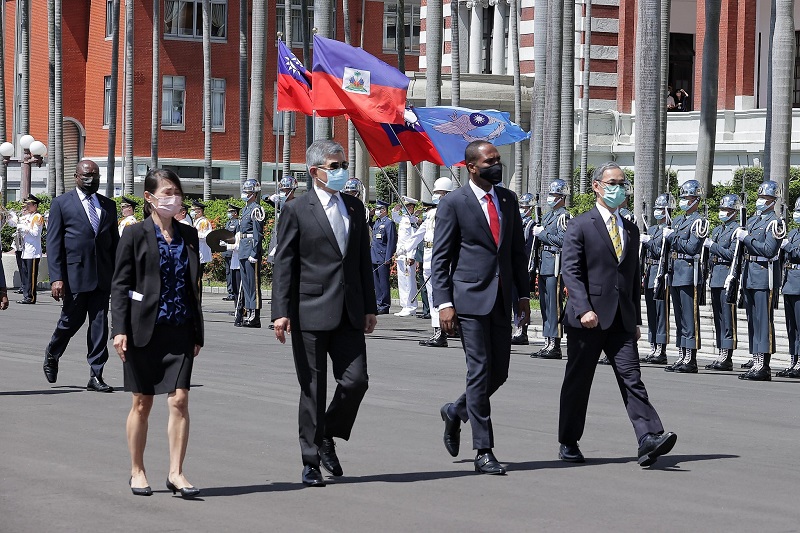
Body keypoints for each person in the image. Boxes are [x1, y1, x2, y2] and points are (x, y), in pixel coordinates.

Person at [271, 140, 376, 487]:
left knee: (356, 381)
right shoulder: (297, 209)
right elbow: (284, 263)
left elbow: (362, 260)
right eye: (335, 166)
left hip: (349, 311)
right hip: (309, 310)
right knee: (313, 389)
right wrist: (280, 312)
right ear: (315, 171)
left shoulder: (354, 208)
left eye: (342, 164)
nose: (341, 170)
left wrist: (370, 308)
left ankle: (328, 431)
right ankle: (311, 460)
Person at [557, 161, 676, 467]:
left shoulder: (631, 228)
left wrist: (635, 319)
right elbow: (571, 270)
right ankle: (569, 440)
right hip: (588, 318)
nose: (619, 188)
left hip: (621, 319)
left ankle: (649, 437)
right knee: (579, 381)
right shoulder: (581, 224)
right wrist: (583, 308)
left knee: (632, 377)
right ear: (597, 186)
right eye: (613, 182)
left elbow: (632, 277)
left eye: (622, 182)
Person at [433, 141, 530, 475]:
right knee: (479, 369)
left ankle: (456, 409)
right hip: (469, 300)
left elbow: (517, 250)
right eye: (490, 161)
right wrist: (444, 303)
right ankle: (483, 449)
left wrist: (523, 296)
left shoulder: (507, 199)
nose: (496, 165)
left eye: (498, 160)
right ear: (471, 166)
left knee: (498, 372)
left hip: (502, 297)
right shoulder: (455, 204)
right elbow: (441, 257)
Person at [111, 168, 204, 499]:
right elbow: (121, 285)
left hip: (179, 328)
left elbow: (194, 286)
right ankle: (137, 470)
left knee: (179, 400)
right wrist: (119, 330)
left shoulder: (188, 235)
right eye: (166, 192)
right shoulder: (134, 234)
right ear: (149, 198)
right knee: (142, 402)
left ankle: (176, 472)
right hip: (142, 330)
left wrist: (197, 330)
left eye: (176, 192)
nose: (173, 198)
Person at [44, 159, 120, 392]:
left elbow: (113, 243)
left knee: (99, 325)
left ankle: (96, 375)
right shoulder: (61, 204)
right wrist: (57, 277)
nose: (91, 180)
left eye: (95, 176)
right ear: (76, 176)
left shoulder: (108, 205)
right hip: (74, 275)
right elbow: (54, 243)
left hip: (102, 276)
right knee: (70, 321)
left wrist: (120, 274)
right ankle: (52, 353)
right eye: (86, 176)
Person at [735, 180, 785, 381]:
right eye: (760, 197)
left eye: (764, 198)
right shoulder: (754, 221)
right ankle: (755, 361)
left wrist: (746, 238)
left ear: (773, 201)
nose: (760, 201)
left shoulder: (775, 223)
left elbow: (769, 250)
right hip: (749, 274)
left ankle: (763, 365)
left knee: (763, 321)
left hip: (764, 276)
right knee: (752, 321)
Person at [662, 180, 706, 373]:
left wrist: (673, 237)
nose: (684, 201)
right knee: (679, 317)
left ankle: (691, 359)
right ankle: (682, 355)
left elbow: (692, 247)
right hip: (676, 271)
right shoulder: (679, 220)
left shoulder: (699, 221)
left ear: (696, 200)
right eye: (682, 198)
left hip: (689, 272)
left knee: (689, 317)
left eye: (687, 198)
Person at [531, 179, 571, 359]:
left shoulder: (564, 216)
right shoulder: (548, 216)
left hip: (555, 263)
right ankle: (547, 341)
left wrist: (543, 234)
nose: (551, 198)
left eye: (554, 195)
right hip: (544, 263)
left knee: (554, 305)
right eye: (551, 195)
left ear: (562, 197)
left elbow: (563, 241)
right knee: (545, 305)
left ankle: (555, 343)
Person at [703, 194, 741, 371]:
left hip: (727, 276)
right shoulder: (718, 230)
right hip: (715, 276)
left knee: (727, 317)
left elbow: (731, 254)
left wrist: (713, 247)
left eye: (726, 210)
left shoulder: (736, 230)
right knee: (718, 317)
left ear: (734, 212)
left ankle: (727, 355)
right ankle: (720, 352)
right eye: (722, 210)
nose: (723, 213)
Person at [639, 194, 674, 365]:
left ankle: (661, 348)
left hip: (661, 273)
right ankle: (653, 346)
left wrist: (648, 243)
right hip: (650, 271)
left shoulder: (670, 229)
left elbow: (661, 250)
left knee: (661, 313)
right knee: (651, 312)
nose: (658, 212)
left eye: (661, 209)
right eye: (657, 209)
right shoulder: (651, 229)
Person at [233, 179, 266, 328]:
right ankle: (248, 312)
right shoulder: (245, 209)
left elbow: (258, 234)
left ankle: (255, 316)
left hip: (251, 249)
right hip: (243, 249)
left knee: (253, 284)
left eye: (247, 192)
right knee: (246, 284)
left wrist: (255, 252)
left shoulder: (256, 209)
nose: (244, 194)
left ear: (253, 194)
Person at [778, 198, 800, 378]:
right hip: (789, 283)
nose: (797, 215)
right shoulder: (793, 232)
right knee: (791, 327)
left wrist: (789, 246)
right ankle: (794, 361)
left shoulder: (792, 238)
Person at [512, 192, 536, 345]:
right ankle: (517, 327)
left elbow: (530, 248)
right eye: (521, 206)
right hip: (513, 265)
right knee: (514, 299)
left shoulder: (531, 224)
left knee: (522, 299)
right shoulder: (517, 222)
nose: (522, 209)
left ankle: (522, 329)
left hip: (525, 266)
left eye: (525, 206)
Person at [392, 196, 420, 317]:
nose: (405, 209)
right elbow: (395, 217)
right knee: (402, 281)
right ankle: (404, 305)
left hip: (408, 255)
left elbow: (414, 240)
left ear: (412, 208)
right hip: (400, 255)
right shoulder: (404, 219)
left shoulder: (413, 220)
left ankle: (411, 306)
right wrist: (395, 210)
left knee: (409, 281)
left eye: (407, 207)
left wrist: (411, 255)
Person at [14, 194, 44, 304]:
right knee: (26, 275)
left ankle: (31, 297)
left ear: (35, 205)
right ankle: (26, 296)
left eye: (29, 204)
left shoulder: (37, 217)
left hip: (33, 251)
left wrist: (24, 228)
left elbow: (35, 233)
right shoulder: (30, 216)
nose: (27, 206)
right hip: (26, 250)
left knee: (31, 276)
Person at [371, 199, 397, 315]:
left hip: (382, 256)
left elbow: (391, 241)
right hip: (374, 255)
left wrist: (388, 257)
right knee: (376, 282)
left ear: (384, 210)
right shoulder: (377, 222)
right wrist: (370, 216)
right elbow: (367, 223)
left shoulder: (388, 223)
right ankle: (378, 302)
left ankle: (385, 305)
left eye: (378, 209)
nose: (376, 211)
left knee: (383, 282)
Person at [266, 175, 298, 263]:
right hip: (276, 240)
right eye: (281, 190)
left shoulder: (296, 203)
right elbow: (265, 198)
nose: (282, 192)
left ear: (291, 191)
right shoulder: (279, 204)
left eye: (285, 190)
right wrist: (270, 199)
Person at [222, 204, 241, 301]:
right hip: (227, 249)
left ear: (235, 213)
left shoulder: (238, 223)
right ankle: (230, 291)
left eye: (231, 212)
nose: (229, 213)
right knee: (228, 272)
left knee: (233, 272)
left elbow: (236, 237)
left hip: (233, 250)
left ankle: (234, 292)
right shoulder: (228, 223)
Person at [191, 200, 213, 266]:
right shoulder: (196, 221)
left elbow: (205, 236)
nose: (192, 212)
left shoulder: (203, 222)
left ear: (200, 211)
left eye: (194, 210)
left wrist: (193, 233)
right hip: (196, 249)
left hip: (201, 249)